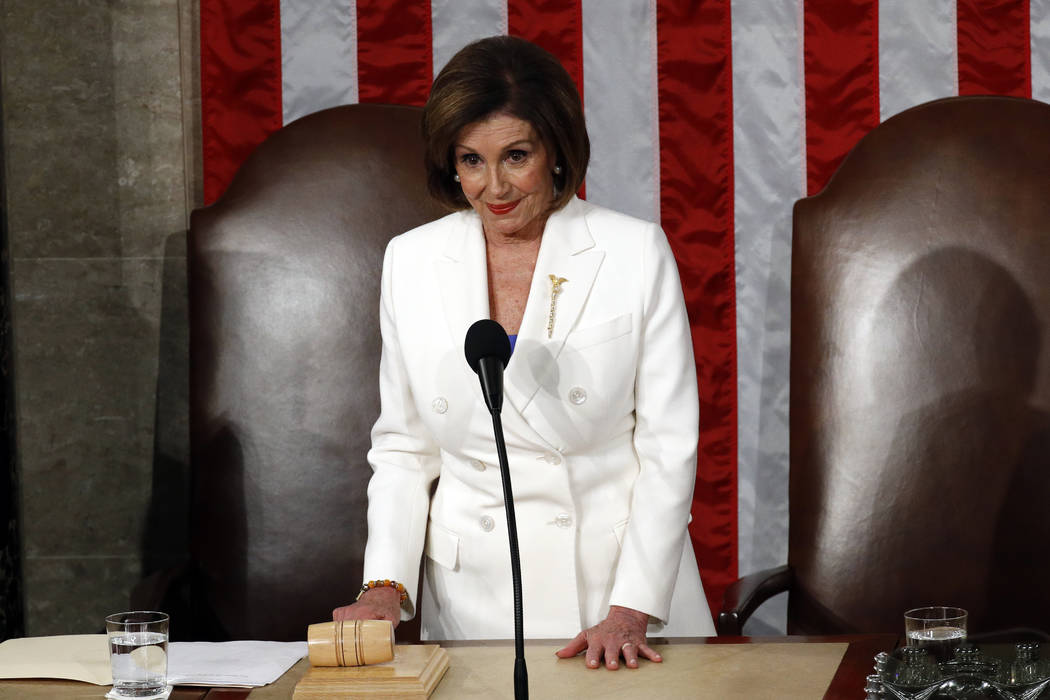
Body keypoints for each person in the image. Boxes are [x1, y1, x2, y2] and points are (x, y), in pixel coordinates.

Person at [333, 35, 716, 670]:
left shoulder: (633, 252)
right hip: (475, 608)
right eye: (471, 160)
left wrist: (631, 607)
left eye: (516, 156)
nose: (493, 186)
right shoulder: (411, 260)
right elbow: (404, 446)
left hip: (619, 600)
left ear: (557, 152)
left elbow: (668, 446)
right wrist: (384, 587)